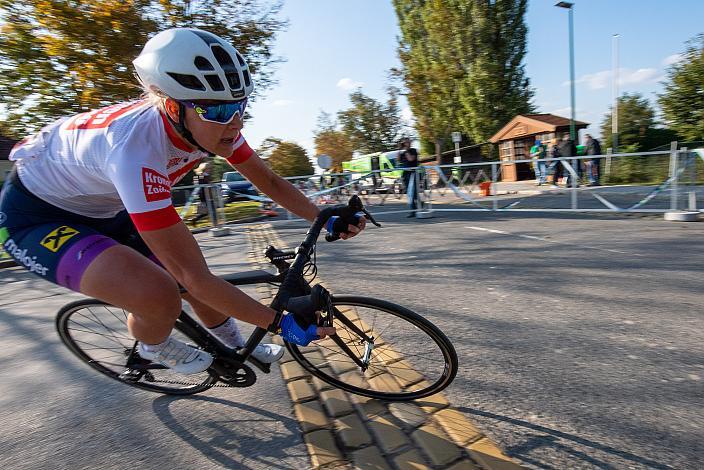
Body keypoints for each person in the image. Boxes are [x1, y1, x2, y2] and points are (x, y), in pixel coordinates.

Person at [0, 28, 366, 375]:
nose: (235, 123)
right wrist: (281, 324)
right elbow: (195, 279)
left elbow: (268, 180)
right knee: (160, 292)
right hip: (34, 217)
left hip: (104, 205)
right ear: (172, 108)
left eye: (241, 106)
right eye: (219, 111)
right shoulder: (134, 152)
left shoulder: (211, 128)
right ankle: (152, 347)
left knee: (194, 278)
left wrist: (323, 216)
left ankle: (233, 345)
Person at [398, 138, 419, 217]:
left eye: (407, 142)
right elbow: (398, 160)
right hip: (405, 174)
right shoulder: (402, 152)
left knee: (413, 193)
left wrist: (406, 151)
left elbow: (411, 159)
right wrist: (399, 149)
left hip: (413, 173)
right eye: (404, 143)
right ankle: (415, 208)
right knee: (409, 193)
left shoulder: (413, 150)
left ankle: (414, 210)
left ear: (410, 143)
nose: (405, 144)